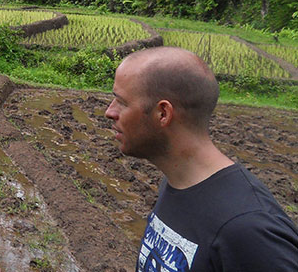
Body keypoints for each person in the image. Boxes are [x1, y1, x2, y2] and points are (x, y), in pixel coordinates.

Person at [105, 47, 298, 272]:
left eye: (122, 102)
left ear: (163, 114)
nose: (110, 111)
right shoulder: (176, 182)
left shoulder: (248, 229)